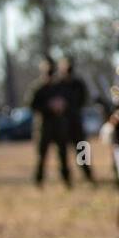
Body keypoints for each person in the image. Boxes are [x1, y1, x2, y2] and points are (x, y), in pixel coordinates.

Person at [29, 56, 71, 187]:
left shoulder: (61, 87)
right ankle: (38, 180)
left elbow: (71, 102)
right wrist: (48, 106)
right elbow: (31, 105)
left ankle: (66, 179)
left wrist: (62, 105)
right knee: (42, 156)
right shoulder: (38, 88)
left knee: (63, 154)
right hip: (44, 126)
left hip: (59, 125)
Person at [55, 55, 95, 183]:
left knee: (82, 149)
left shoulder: (78, 83)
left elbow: (83, 99)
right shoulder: (57, 84)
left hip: (76, 122)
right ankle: (65, 177)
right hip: (61, 123)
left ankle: (87, 174)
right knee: (62, 152)